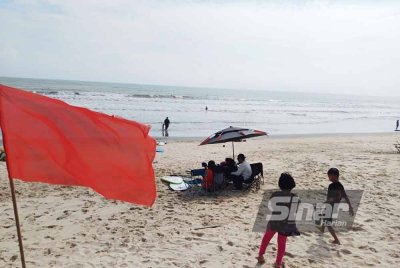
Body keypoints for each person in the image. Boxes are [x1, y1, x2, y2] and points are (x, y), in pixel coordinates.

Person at [257, 173, 300, 267]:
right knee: (281, 243)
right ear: (292, 184)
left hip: (274, 221)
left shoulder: (275, 195)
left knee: (266, 238)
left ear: (280, 185)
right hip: (286, 224)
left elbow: (271, 207)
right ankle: (278, 263)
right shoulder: (295, 197)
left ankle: (260, 256)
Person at [320, 168, 354, 245]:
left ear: (334, 176)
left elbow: (331, 198)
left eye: (329, 176)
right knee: (325, 217)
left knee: (328, 223)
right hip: (335, 206)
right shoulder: (340, 185)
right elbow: (345, 196)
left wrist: (325, 203)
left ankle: (336, 240)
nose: (328, 178)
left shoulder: (331, 186)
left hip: (330, 205)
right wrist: (350, 207)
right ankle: (321, 230)